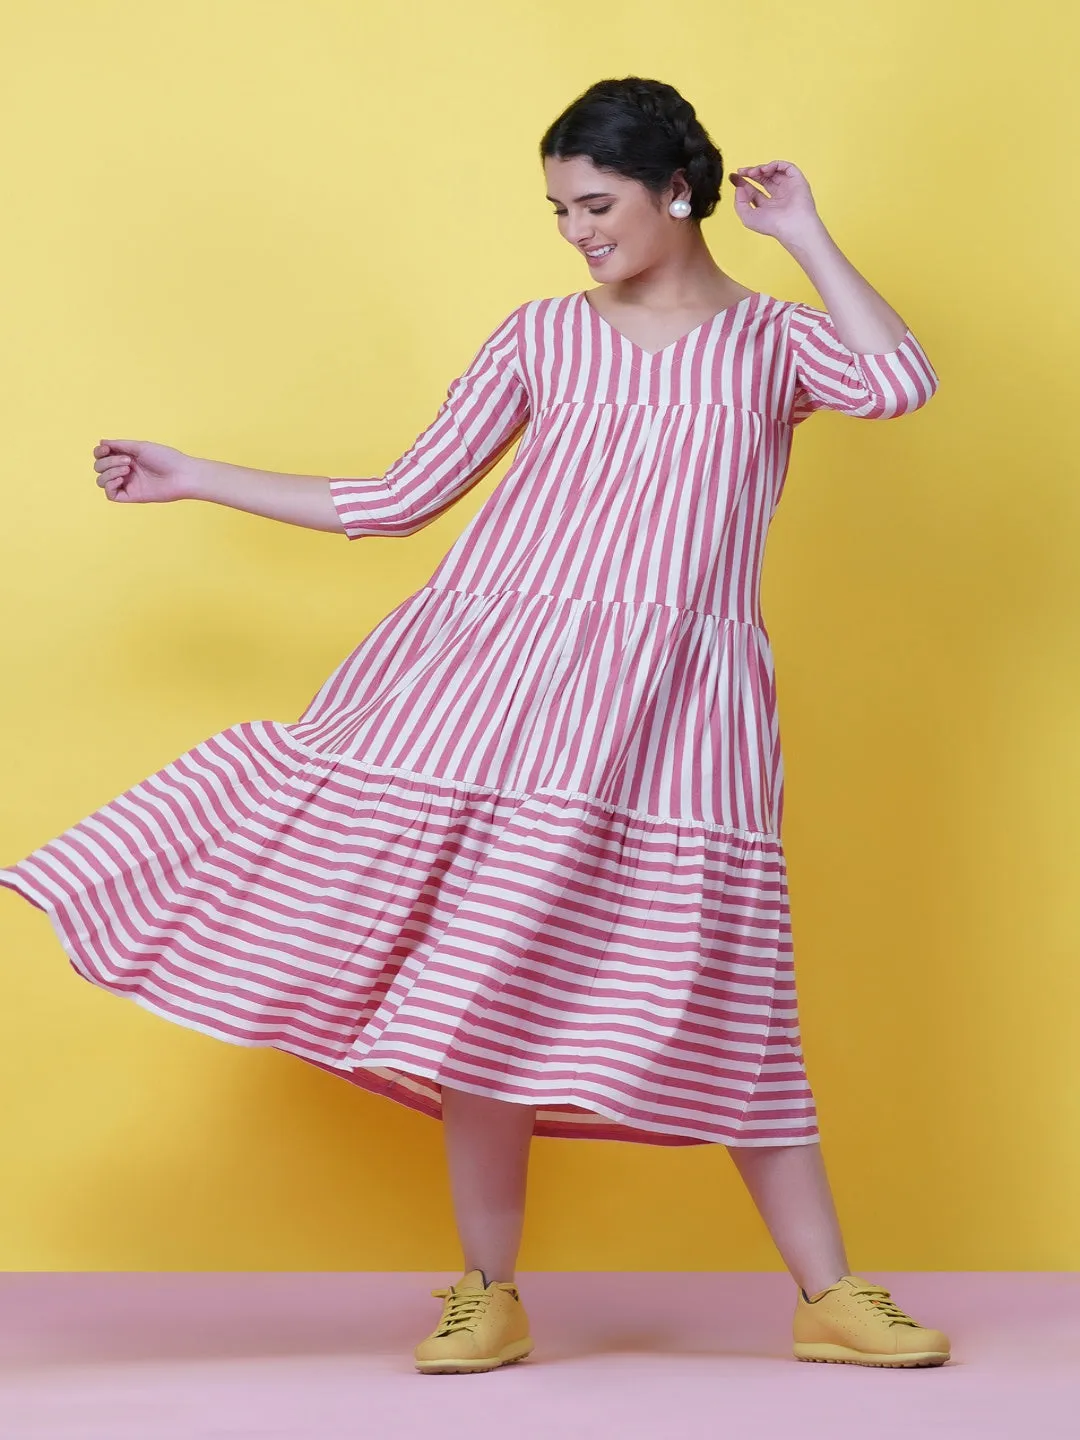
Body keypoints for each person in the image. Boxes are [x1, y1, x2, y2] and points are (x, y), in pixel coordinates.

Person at [0, 76, 950, 1374]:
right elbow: (394, 498)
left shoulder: (775, 342)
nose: (576, 231)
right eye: (558, 208)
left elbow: (898, 382)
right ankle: (488, 1293)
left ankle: (832, 1296)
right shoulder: (538, 339)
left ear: (678, 188)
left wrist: (807, 237)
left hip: (681, 713)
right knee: (483, 984)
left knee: (731, 992)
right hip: (493, 690)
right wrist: (193, 474)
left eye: (597, 202)